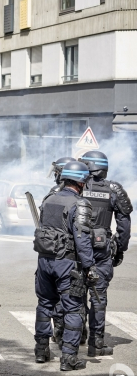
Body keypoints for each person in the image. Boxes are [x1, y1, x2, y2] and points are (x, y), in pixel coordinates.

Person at [33, 160, 98, 371]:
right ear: (81, 181)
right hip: (66, 263)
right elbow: (82, 238)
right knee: (74, 309)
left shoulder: (49, 198)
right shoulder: (80, 204)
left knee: (45, 304)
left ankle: (41, 351)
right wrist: (89, 267)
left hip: (44, 261)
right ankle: (68, 358)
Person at [78, 151, 132, 357]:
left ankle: (77, 335)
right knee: (99, 297)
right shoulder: (114, 189)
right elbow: (124, 225)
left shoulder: (78, 187)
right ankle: (96, 343)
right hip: (101, 251)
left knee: (76, 292)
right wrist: (120, 249)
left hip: (78, 249)